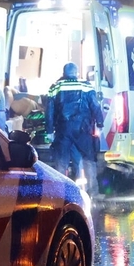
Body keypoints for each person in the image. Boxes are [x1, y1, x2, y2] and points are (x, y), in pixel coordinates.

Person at [46, 62, 104, 196]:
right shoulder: (85, 85)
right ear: (77, 72)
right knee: (88, 160)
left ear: (64, 73)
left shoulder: (55, 87)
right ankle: (93, 192)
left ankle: (59, 194)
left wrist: (49, 131)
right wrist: (99, 124)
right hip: (83, 129)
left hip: (63, 129)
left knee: (61, 162)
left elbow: (49, 111)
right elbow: (95, 106)